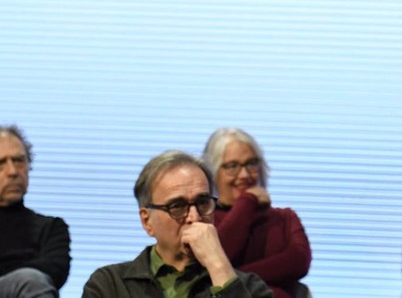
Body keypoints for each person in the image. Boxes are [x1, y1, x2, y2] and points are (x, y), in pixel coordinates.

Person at [82, 150, 273, 298]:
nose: (194, 217)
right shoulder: (109, 285)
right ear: (147, 221)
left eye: (203, 203)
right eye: (178, 206)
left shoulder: (249, 287)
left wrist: (218, 265)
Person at [202, 128, 311, 298]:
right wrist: (248, 201)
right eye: (232, 166)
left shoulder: (285, 218)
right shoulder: (204, 221)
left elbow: (298, 262)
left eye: (251, 163)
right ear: (213, 173)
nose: (245, 174)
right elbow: (220, 253)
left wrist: (229, 275)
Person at [0, 126, 70, 298]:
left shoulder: (51, 227)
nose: (13, 172)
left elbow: (56, 270)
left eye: (19, 161)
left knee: (32, 281)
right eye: (1, 163)